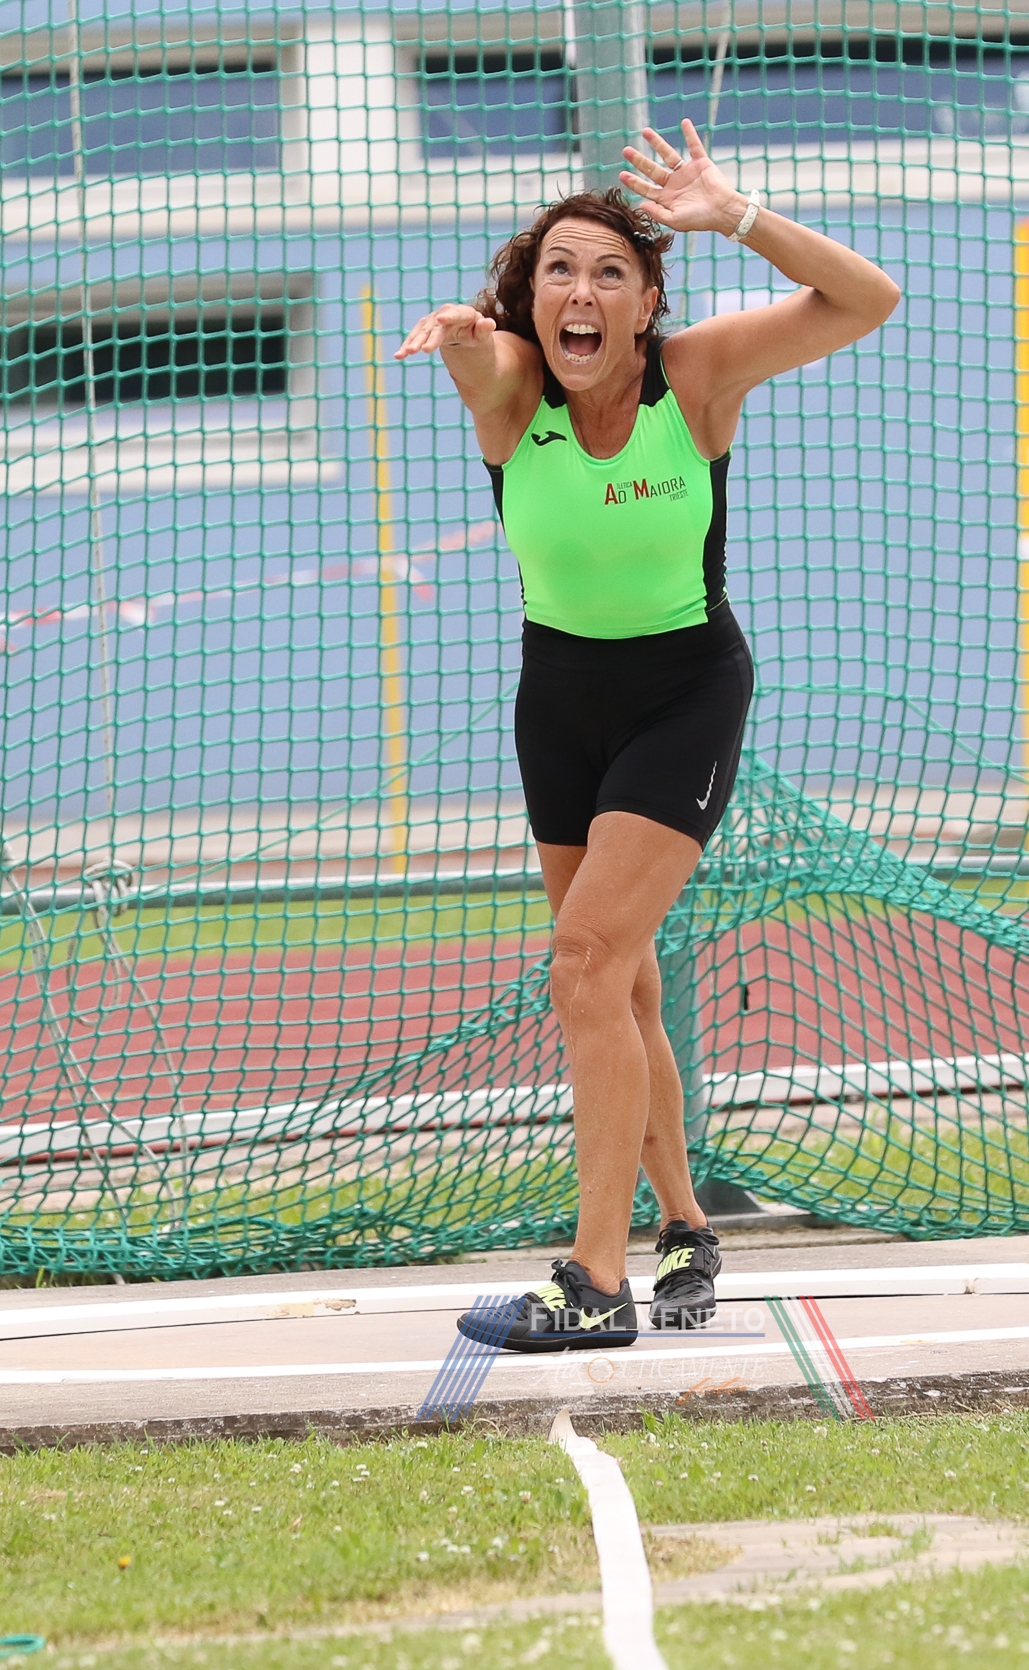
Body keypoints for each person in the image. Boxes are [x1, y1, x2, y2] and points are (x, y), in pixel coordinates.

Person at [399, 124, 898, 1352]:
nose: (583, 290)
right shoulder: (515, 386)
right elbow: (481, 353)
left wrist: (739, 214)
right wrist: (461, 334)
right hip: (559, 701)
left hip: (685, 693)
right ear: (532, 300)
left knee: (582, 961)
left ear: (646, 304)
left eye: (610, 272)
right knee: (618, 979)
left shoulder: (696, 375)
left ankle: (596, 1277)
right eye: (559, 270)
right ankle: (684, 1222)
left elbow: (867, 299)